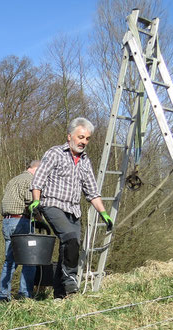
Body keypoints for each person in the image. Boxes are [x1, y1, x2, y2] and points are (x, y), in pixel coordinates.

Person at [29, 118, 113, 298]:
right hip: (53, 204)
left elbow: (92, 191)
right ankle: (70, 283)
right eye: (80, 137)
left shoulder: (84, 161)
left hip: (73, 210)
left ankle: (60, 294)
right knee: (70, 238)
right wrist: (36, 201)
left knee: (70, 248)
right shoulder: (55, 153)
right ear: (69, 137)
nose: (83, 142)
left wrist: (104, 213)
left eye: (87, 139)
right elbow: (39, 179)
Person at [0, 160, 41, 303]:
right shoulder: (30, 180)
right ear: (36, 169)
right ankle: (25, 295)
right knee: (30, 260)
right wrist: (41, 219)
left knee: (9, 261)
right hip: (22, 222)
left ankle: (3, 295)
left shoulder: (13, 180)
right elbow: (31, 204)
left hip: (7, 221)